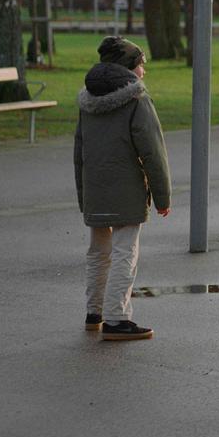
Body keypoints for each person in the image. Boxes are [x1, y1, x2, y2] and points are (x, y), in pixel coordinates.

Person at [73, 36, 172, 342]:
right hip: (127, 188)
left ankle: (95, 313)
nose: (144, 71)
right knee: (124, 251)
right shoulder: (137, 100)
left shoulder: (87, 100)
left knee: (98, 252)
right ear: (129, 67)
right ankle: (117, 318)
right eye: (141, 64)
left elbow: (80, 152)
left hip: (95, 189)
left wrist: (83, 195)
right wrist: (162, 196)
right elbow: (152, 152)